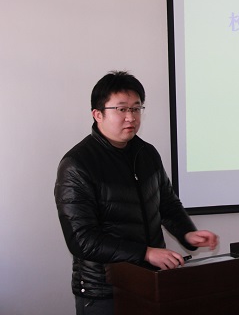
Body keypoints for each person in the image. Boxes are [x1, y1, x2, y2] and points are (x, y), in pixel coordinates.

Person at [54, 70, 218, 315]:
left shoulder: (146, 153)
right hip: (105, 290)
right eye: (121, 109)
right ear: (97, 114)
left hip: (150, 281)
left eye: (136, 108)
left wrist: (188, 233)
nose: (131, 117)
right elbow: (82, 239)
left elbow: (167, 204)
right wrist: (145, 253)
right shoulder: (77, 164)